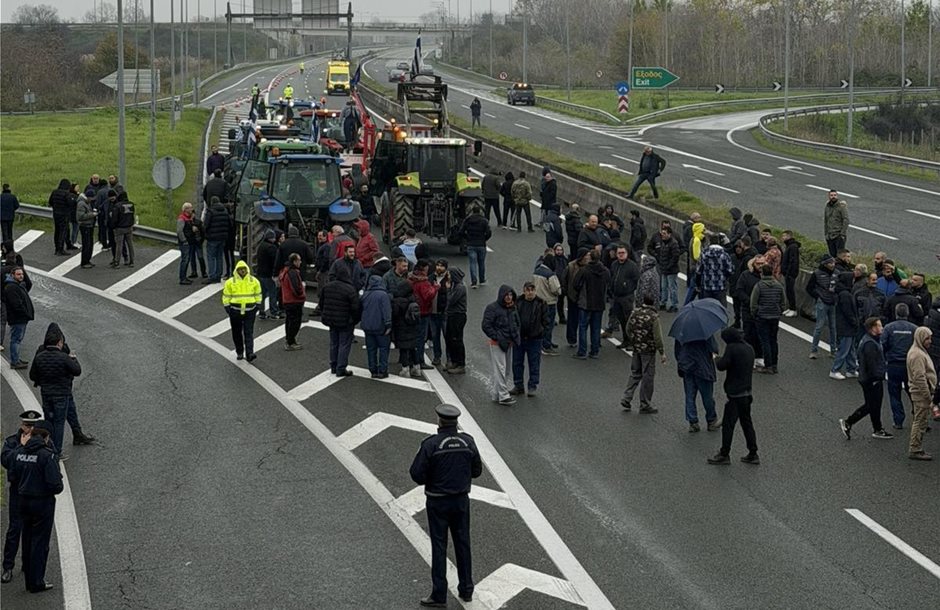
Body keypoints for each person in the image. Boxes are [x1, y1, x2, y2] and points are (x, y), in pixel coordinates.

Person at [409, 404, 482, 607]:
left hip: (437, 501)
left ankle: (439, 594)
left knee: (439, 546)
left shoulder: (431, 444)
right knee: (463, 543)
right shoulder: (468, 441)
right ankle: (466, 589)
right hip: (461, 501)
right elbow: (477, 471)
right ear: (456, 422)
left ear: (439, 422)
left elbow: (416, 474)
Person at [8, 420, 62, 594]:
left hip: (22, 500)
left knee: (27, 538)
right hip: (42, 503)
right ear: (46, 437)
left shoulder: (18, 452)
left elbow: (12, 474)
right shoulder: (47, 456)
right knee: (40, 543)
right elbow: (56, 486)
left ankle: (27, 574)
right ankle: (36, 582)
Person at [28, 323, 95, 455]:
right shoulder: (64, 354)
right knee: (58, 422)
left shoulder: (40, 354)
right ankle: (55, 451)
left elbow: (32, 375)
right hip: (62, 392)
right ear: (59, 341)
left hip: (47, 392)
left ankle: (77, 434)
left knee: (60, 416)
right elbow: (76, 370)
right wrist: (74, 359)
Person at [1, 409, 43, 584]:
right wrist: (22, 447)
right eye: (27, 425)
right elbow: (6, 460)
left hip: (35, 492)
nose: (29, 430)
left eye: (33, 426)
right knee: (14, 529)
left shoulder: (43, 440)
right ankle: (8, 567)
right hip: (18, 492)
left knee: (32, 530)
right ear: (22, 425)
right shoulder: (12, 441)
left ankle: (28, 564)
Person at [708, 327, 760, 465]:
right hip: (747, 392)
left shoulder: (732, 348)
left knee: (728, 425)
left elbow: (722, 365)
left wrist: (716, 358)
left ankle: (724, 454)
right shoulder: (749, 348)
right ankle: (753, 452)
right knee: (746, 423)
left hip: (735, 394)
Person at [840, 317, 893, 440]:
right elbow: (872, 364)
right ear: (873, 328)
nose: (882, 327)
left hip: (868, 379)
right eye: (879, 325)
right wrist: (878, 377)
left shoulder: (871, 340)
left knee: (874, 405)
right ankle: (849, 422)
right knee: (871, 405)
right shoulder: (870, 344)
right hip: (872, 380)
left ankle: (877, 428)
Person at [620, 294, 666, 413]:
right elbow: (658, 337)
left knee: (635, 373)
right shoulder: (653, 316)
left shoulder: (635, 312)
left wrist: (634, 340)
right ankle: (645, 403)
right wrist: (661, 352)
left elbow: (628, 328)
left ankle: (627, 397)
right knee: (648, 377)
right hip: (648, 350)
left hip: (637, 348)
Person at [482, 285, 521, 405]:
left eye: (510, 295)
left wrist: (515, 337)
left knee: (506, 370)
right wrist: (497, 337)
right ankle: (503, 395)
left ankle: (496, 394)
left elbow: (516, 323)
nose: (509, 297)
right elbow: (486, 325)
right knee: (501, 369)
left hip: (509, 343)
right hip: (497, 343)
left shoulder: (512, 308)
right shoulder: (493, 308)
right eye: (506, 295)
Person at [321, 263, 361, 376]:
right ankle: (341, 367)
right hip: (345, 321)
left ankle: (333, 366)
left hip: (331, 319)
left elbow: (322, 303)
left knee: (334, 343)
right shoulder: (350, 289)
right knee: (344, 344)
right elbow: (355, 308)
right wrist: (355, 320)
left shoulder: (327, 286)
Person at [882, 303, 918, 430]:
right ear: (907, 314)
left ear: (896, 313)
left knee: (894, 393)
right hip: (909, 366)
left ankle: (898, 421)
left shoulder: (888, 328)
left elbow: (883, 345)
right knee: (913, 392)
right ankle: (918, 417)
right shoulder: (914, 329)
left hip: (893, 365)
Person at [676, 334, 720, 433]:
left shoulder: (681, 331)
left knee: (690, 395)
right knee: (707, 396)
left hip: (687, 365)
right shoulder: (705, 331)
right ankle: (711, 420)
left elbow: (677, 351)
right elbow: (714, 347)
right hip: (702, 365)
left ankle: (693, 422)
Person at [512, 282, 547, 397]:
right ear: (524, 291)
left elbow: (546, 320)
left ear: (535, 291)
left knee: (534, 363)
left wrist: (541, 332)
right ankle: (518, 385)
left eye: (532, 290)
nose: (530, 292)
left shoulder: (541, 303)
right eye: (528, 290)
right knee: (517, 363)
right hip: (520, 339)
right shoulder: (518, 301)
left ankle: (532, 386)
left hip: (535, 339)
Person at [222, 260, 262, 362]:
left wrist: (257, 305)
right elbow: (226, 296)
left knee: (249, 332)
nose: (242, 271)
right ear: (237, 270)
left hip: (250, 311)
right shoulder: (230, 282)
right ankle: (239, 351)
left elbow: (258, 294)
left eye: (243, 269)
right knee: (237, 332)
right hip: (235, 311)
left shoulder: (254, 281)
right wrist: (228, 308)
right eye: (240, 270)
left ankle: (250, 353)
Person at [750, 263, 785, 374]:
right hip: (775, 316)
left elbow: (753, 303)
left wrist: (755, 313)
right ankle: (775, 365)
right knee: (773, 340)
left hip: (762, 316)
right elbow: (783, 302)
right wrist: (779, 311)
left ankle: (768, 365)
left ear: (762, 273)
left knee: (765, 341)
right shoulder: (779, 285)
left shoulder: (759, 286)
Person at [907, 327, 935, 460]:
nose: (930, 341)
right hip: (921, 394)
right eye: (927, 338)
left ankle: (916, 447)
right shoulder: (917, 355)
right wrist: (929, 397)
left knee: (920, 420)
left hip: (920, 393)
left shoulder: (918, 351)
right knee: (920, 421)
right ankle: (915, 448)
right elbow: (919, 378)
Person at [604, 245, 639, 346]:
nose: (621, 255)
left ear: (627, 253)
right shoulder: (614, 264)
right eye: (619, 253)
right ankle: (625, 340)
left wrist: (628, 287)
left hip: (627, 297)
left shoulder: (632, 266)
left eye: (623, 253)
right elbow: (612, 277)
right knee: (621, 320)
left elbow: (636, 280)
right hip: (616, 297)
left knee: (629, 320)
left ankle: (632, 342)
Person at [361, 273, 392, 378]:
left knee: (371, 349)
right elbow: (386, 311)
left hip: (367, 326)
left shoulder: (365, 294)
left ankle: (373, 370)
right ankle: (382, 370)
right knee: (383, 348)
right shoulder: (383, 295)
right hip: (380, 326)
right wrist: (388, 324)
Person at [830, 272, 859, 379]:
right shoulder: (845, 294)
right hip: (846, 326)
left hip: (846, 326)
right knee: (844, 349)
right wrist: (855, 322)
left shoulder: (843, 293)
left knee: (851, 349)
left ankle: (851, 369)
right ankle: (835, 369)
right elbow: (848, 312)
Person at [807, 254, 838, 358]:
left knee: (833, 327)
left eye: (833, 262)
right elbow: (809, 288)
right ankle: (814, 350)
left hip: (833, 302)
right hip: (822, 302)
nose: (832, 265)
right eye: (830, 263)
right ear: (825, 264)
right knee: (819, 327)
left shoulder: (837, 273)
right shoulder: (817, 273)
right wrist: (818, 296)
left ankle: (833, 350)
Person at [3, 267, 33, 369]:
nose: (21, 276)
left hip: (20, 318)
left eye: (22, 274)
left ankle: (16, 359)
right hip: (18, 318)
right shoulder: (11, 287)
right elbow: (16, 305)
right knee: (16, 340)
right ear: (12, 275)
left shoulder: (16, 285)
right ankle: (15, 362)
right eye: (18, 274)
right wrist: (26, 313)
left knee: (17, 339)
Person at [533, 254, 562, 355]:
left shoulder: (536, 271)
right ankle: (546, 345)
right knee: (548, 325)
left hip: (538, 302)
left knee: (540, 324)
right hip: (549, 302)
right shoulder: (550, 274)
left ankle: (541, 343)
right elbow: (556, 289)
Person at [391, 282, 422, 378]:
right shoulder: (414, 300)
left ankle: (405, 369)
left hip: (401, 329)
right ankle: (417, 368)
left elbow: (394, 315)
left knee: (403, 349)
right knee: (413, 348)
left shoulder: (397, 302)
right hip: (413, 328)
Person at [562, 248, 589, 348]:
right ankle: (572, 339)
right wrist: (566, 292)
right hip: (572, 296)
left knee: (583, 320)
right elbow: (564, 279)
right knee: (572, 319)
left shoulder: (589, 266)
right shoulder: (571, 266)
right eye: (587, 255)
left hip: (585, 297)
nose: (588, 257)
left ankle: (584, 340)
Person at [459, 206, 491, 288]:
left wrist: (467, 238)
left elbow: (461, 231)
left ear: (472, 211)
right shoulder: (484, 220)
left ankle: (474, 281)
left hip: (471, 244)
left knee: (472, 263)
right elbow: (488, 232)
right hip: (481, 244)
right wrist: (484, 239)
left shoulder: (468, 220)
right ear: (480, 211)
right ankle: (482, 279)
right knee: (481, 263)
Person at [279, 253, 306, 350]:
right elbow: (296, 288)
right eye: (299, 260)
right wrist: (302, 294)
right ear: (294, 261)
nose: (300, 262)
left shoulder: (286, 270)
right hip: (294, 301)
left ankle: (289, 340)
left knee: (289, 321)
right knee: (295, 322)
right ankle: (290, 342)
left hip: (288, 300)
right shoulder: (293, 272)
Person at [443, 268, 468, 374]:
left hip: (458, 316)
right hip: (452, 315)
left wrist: (448, 290)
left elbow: (451, 300)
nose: (447, 276)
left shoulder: (460, 287)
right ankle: (454, 361)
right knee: (450, 339)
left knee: (457, 339)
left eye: (449, 274)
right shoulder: (455, 285)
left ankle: (461, 364)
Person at [203, 196, 232, 283]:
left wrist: (205, 234)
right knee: (219, 256)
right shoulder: (225, 211)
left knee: (211, 257)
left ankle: (212, 276)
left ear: (212, 202)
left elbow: (206, 224)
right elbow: (229, 224)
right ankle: (218, 275)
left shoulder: (210, 211)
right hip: (223, 237)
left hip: (212, 237)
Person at [255, 230, 282, 319]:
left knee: (262, 294)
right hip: (268, 274)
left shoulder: (261, 246)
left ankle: (261, 312)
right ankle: (274, 312)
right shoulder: (272, 248)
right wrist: (276, 274)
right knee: (272, 293)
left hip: (260, 273)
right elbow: (275, 262)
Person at [428, 260, 449, 366]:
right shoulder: (431, 278)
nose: (439, 268)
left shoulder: (449, 279)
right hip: (433, 312)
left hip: (444, 313)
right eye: (438, 265)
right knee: (435, 336)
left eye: (442, 266)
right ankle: (437, 356)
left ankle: (449, 358)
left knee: (447, 336)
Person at [109, 191, 136, 268]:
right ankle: (132, 261)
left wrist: (113, 226)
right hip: (129, 227)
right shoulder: (131, 204)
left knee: (119, 246)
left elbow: (114, 218)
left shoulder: (117, 206)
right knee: (130, 245)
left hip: (120, 228)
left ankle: (117, 262)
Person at [48, 179, 72, 256]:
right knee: (63, 231)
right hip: (64, 214)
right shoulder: (66, 194)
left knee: (57, 231)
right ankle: (60, 249)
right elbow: (70, 203)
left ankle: (56, 248)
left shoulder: (54, 192)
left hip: (56, 214)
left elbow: (50, 202)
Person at [684, 221, 705, 305]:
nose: (705, 231)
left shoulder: (694, 239)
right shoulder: (697, 241)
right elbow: (697, 256)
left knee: (695, 288)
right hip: (696, 268)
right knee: (693, 288)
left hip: (694, 267)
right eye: (703, 229)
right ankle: (686, 305)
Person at [780, 230, 801, 317]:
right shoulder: (789, 246)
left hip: (790, 273)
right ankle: (790, 307)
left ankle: (793, 309)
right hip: (787, 273)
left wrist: (789, 272)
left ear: (789, 236)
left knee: (790, 290)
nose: (782, 238)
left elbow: (793, 261)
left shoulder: (793, 247)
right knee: (788, 290)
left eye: (784, 236)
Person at [824, 189, 849, 258]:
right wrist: (826, 234)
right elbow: (826, 221)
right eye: (831, 195)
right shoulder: (827, 206)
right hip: (830, 236)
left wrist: (842, 234)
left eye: (835, 195)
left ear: (837, 196)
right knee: (832, 255)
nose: (833, 197)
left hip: (838, 235)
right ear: (829, 196)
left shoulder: (841, 206)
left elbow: (846, 220)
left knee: (840, 256)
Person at [76, 188, 98, 269]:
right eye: (91, 198)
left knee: (90, 244)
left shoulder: (87, 203)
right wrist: (92, 214)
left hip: (89, 226)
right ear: (88, 197)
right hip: (85, 226)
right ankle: (84, 262)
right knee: (86, 244)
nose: (92, 200)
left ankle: (88, 260)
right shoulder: (81, 204)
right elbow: (80, 216)